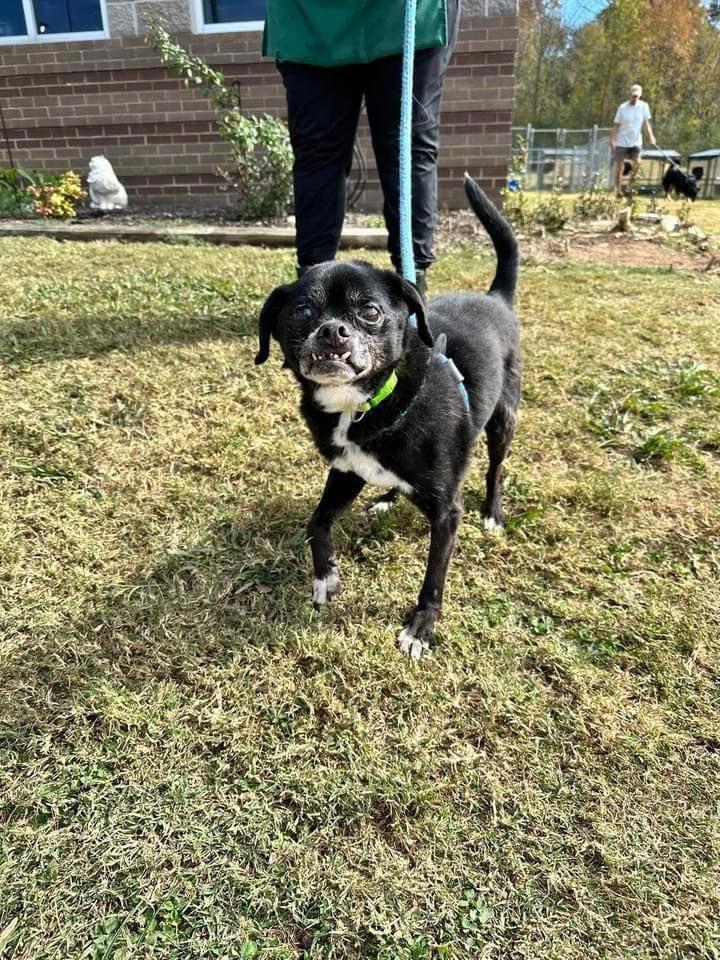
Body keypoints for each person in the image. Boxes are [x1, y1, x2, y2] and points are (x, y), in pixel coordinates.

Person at [263, 1, 460, 295]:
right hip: (310, 22)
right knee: (318, 155)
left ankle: (412, 287)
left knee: (405, 151)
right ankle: (313, 292)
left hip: (406, 18)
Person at [609, 83, 656, 194]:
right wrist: (612, 139)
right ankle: (618, 189)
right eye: (633, 95)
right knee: (620, 167)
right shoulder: (622, 108)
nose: (635, 98)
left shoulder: (644, 106)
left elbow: (646, 123)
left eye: (637, 96)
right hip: (622, 142)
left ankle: (631, 187)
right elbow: (616, 125)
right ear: (629, 95)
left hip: (636, 142)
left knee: (638, 163)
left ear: (640, 96)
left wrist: (651, 136)